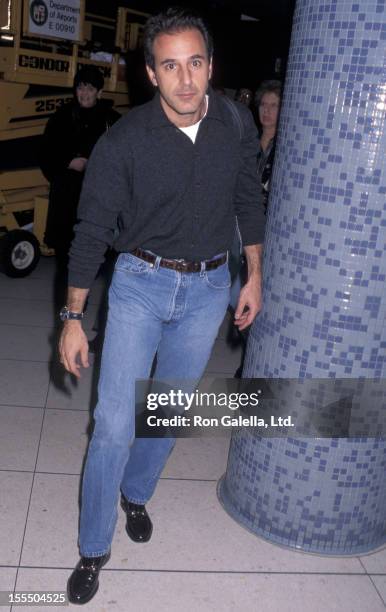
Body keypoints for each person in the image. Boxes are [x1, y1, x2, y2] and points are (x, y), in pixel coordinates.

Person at [59, 7, 265, 605]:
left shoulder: (234, 123)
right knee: (115, 426)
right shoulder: (124, 141)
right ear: (150, 73)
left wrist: (252, 276)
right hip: (140, 284)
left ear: (210, 66)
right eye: (169, 66)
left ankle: (136, 494)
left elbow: (247, 200)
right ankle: (93, 548)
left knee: (168, 413)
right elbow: (90, 230)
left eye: (194, 63)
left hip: (207, 290)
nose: (184, 80)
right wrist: (72, 319)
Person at [40, 65, 120, 278]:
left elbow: (123, 158)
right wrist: (68, 162)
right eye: (80, 88)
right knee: (65, 256)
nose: (84, 94)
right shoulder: (62, 116)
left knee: (93, 255)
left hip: (97, 200)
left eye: (90, 89)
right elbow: (46, 153)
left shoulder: (112, 120)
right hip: (66, 196)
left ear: (99, 92)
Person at [255, 79, 282, 211]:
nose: (266, 110)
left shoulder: (283, 146)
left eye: (273, 106)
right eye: (263, 104)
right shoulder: (249, 140)